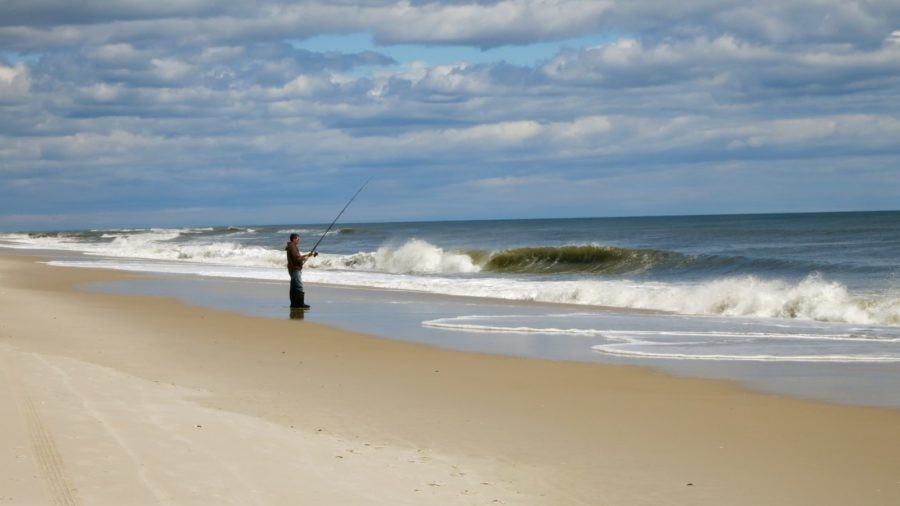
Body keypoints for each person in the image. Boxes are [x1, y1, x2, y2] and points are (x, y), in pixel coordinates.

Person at [285, 233, 317, 309]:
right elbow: (297, 259)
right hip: (295, 269)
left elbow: (297, 257)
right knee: (299, 286)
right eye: (298, 239)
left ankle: (294, 304)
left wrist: (309, 255)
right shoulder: (292, 247)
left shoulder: (291, 246)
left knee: (293, 287)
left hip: (292, 269)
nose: (299, 240)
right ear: (294, 239)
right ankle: (300, 304)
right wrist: (304, 258)